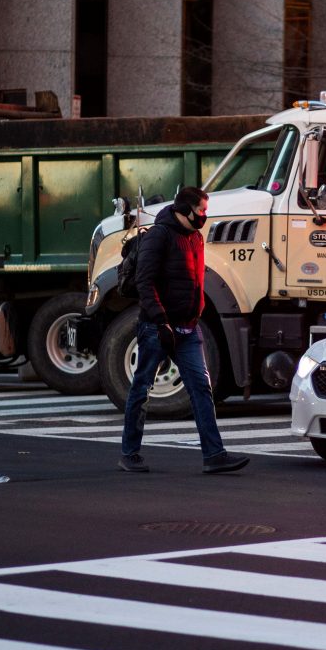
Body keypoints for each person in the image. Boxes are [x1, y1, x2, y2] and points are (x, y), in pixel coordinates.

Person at [118, 186, 250, 474]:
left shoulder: (195, 237)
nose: (205, 215)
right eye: (202, 210)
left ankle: (214, 455)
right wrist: (161, 321)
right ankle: (129, 453)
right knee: (142, 388)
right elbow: (144, 282)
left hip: (189, 328)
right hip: (157, 328)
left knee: (201, 388)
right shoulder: (159, 236)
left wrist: (198, 311)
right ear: (185, 209)